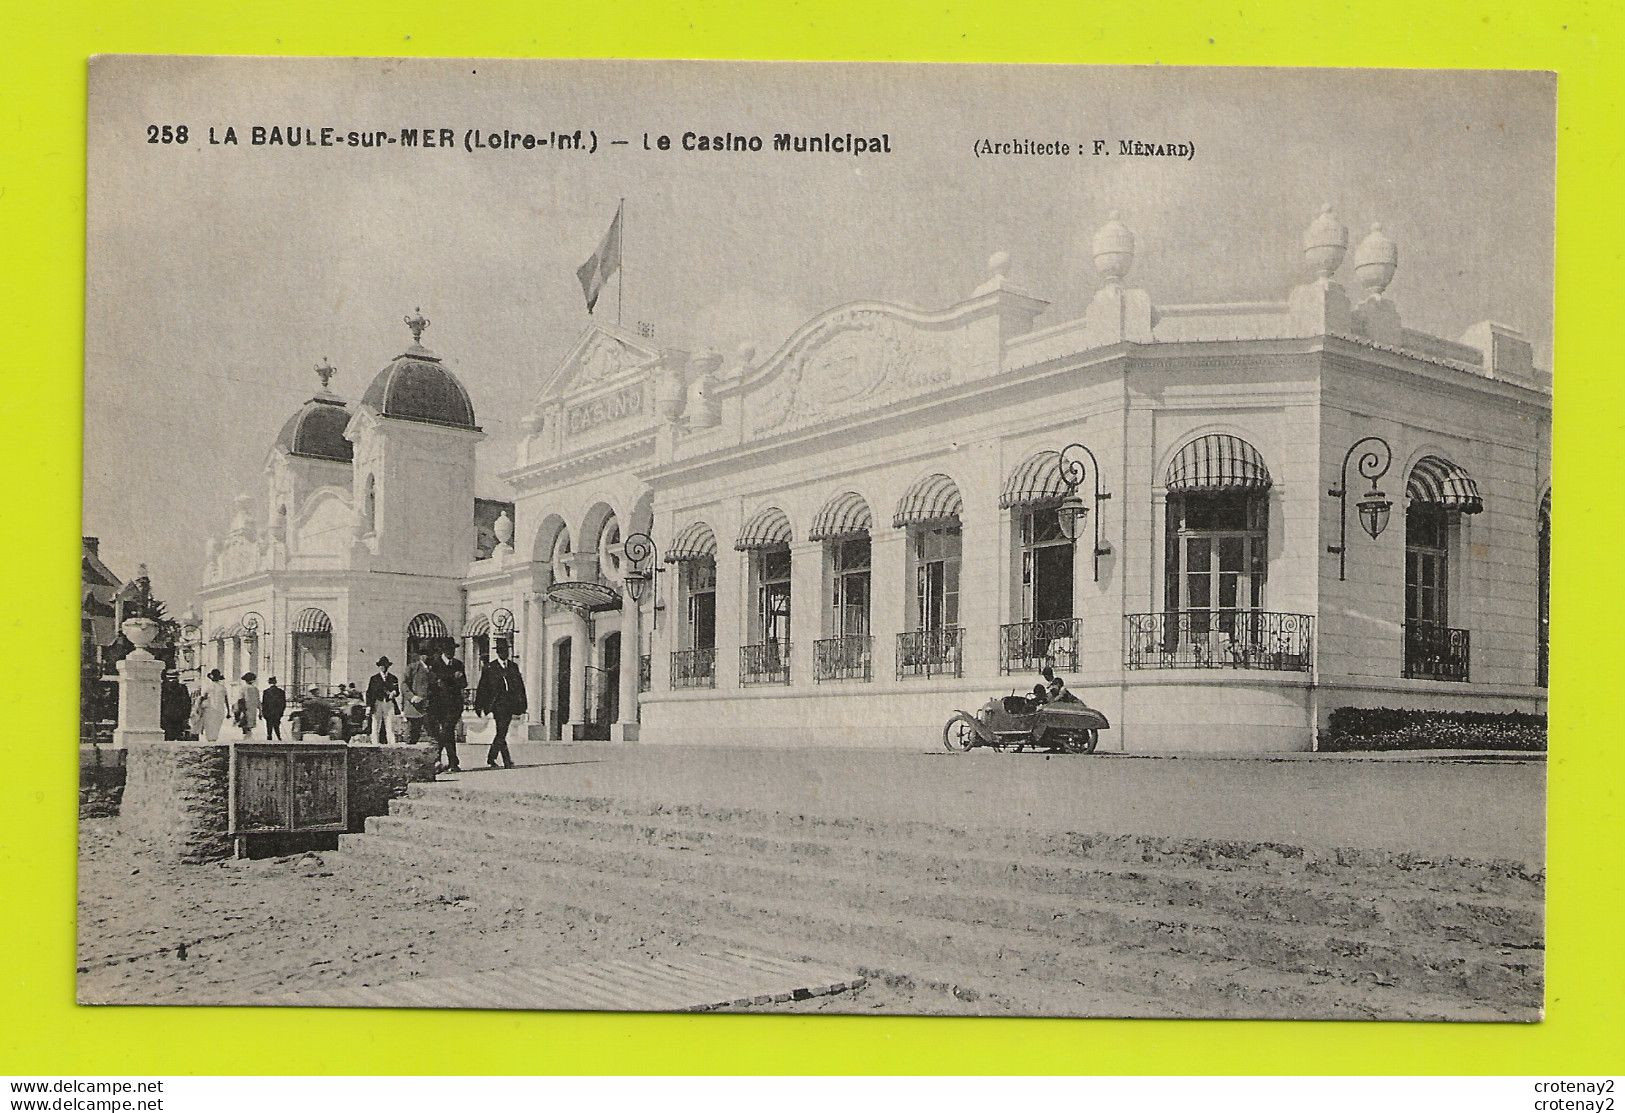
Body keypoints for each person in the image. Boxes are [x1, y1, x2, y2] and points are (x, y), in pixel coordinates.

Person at [473, 640, 527, 769]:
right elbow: (483, 687)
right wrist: (479, 705)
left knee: (501, 732)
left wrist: (523, 704)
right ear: (497, 652)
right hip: (497, 704)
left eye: (506, 650)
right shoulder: (490, 668)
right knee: (502, 730)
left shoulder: (513, 667)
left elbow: (520, 686)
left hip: (510, 704)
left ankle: (492, 758)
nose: (505, 653)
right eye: (502, 651)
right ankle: (505, 760)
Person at [429, 638, 467, 773]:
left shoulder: (458, 664)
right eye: (448, 650)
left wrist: (454, 679)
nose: (451, 652)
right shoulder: (435, 664)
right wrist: (453, 676)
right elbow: (435, 682)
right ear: (443, 651)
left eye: (453, 650)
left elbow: (464, 683)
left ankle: (438, 759)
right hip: (439, 704)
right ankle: (451, 762)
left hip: (454, 704)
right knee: (448, 732)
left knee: (447, 729)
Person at [402, 646, 435, 745]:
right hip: (415, 707)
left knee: (433, 736)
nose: (428, 657)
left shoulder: (433, 670)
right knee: (412, 735)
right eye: (425, 654)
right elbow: (404, 684)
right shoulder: (413, 668)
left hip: (429, 707)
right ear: (420, 656)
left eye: (430, 654)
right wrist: (412, 697)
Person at [365, 656, 401, 744]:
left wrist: (394, 692)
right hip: (377, 703)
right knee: (376, 725)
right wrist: (369, 706)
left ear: (388, 666)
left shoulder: (393, 678)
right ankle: (374, 744)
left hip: (389, 704)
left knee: (390, 726)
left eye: (385, 665)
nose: (383, 667)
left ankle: (391, 745)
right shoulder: (374, 678)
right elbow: (369, 693)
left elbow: (397, 691)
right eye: (381, 665)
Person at [195, 668, 228, 742]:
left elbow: (203, 697)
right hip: (220, 709)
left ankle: (210, 740)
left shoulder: (208, 687)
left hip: (210, 710)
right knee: (216, 726)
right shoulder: (223, 688)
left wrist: (198, 707)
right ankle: (214, 739)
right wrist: (228, 711)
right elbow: (226, 700)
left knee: (209, 726)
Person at [160, 670, 193, 741]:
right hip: (179, 717)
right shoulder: (183, 688)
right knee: (178, 737)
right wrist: (186, 717)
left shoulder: (162, 687)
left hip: (166, 717)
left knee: (167, 737)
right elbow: (187, 704)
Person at [234, 672, 261, 739]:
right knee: (250, 726)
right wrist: (260, 711)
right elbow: (258, 701)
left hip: (245, 709)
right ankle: (248, 738)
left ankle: (246, 739)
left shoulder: (243, 688)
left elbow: (240, 700)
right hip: (253, 710)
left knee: (245, 725)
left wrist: (238, 711)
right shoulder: (255, 689)